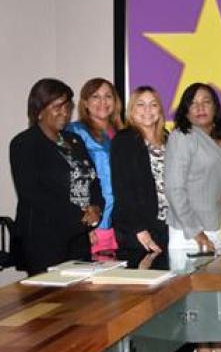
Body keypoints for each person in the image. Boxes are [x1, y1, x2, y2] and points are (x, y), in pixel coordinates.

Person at [164, 82, 221, 352]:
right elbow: (174, 188)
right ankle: (208, 351)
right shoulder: (182, 136)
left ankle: (214, 348)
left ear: (216, 107)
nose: (201, 107)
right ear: (185, 109)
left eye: (207, 101)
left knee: (216, 302)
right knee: (196, 302)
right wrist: (196, 233)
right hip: (190, 233)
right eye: (194, 102)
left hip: (220, 229)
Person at [10, 78, 102, 275]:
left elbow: (93, 180)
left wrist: (96, 207)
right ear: (39, 110)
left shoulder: (74, 140)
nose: (65, 112)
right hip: (44, 240)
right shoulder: (24, 144)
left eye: (68, 106)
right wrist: (80, 216)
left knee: (81, 300)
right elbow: (32, 194)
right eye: (57, 106)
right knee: (51, 303)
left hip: (78, 236)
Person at [111, 86, 170, 267]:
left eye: (153, 105)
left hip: (167, 225)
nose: (147, 110)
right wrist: (139, 229)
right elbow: (123, 188)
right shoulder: (125, 139)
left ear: (160, 110)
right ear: (132, 110)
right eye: (141, 105)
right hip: (138, 229)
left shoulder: (168, 138)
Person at [66, 78, 124, 255]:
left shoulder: (123, 134)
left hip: (122, 223)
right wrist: (85, 225)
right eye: (95, 96)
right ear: (85, 102)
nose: (102, 102)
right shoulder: (74, 132)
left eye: (108, 96)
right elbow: (72, 182)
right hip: (93, 220)